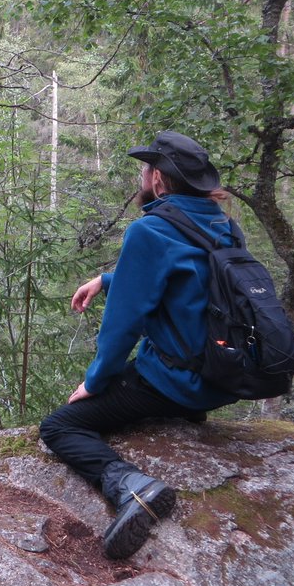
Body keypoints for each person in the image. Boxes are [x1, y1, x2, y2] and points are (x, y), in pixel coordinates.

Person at [39, 130, 239, 560]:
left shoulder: (151, 229)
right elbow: (190, 282)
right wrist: (107, 279)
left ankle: (132, 486)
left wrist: (95, 382)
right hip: (220, 378)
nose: (142, 176)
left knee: (60, 427)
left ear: (159, 180)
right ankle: (184, 413)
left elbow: (123, 325)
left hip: (173, 382)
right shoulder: (221, 224)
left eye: (145, 169)